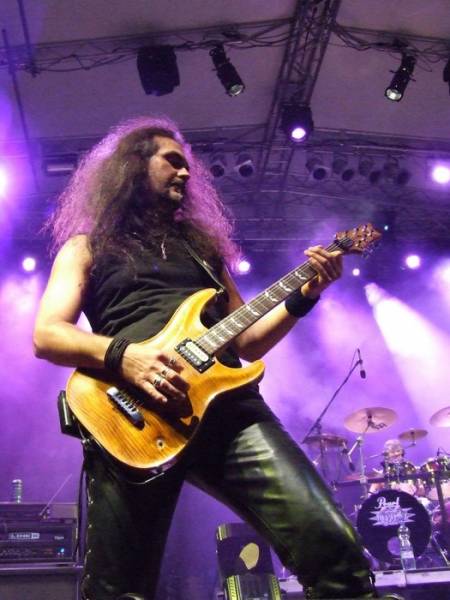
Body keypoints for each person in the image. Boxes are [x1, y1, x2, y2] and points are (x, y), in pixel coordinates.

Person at [33, 116, 396, 600]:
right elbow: (47, 334)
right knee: (118, 591)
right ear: (134, 166)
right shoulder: (88, 246)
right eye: (172, 162)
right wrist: (125, 355)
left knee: (336, 552)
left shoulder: (202, 250)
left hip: (230, 415)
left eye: (187, 165)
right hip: (129, 420)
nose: (185, 172)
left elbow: (247, 342)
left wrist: (306, 293)